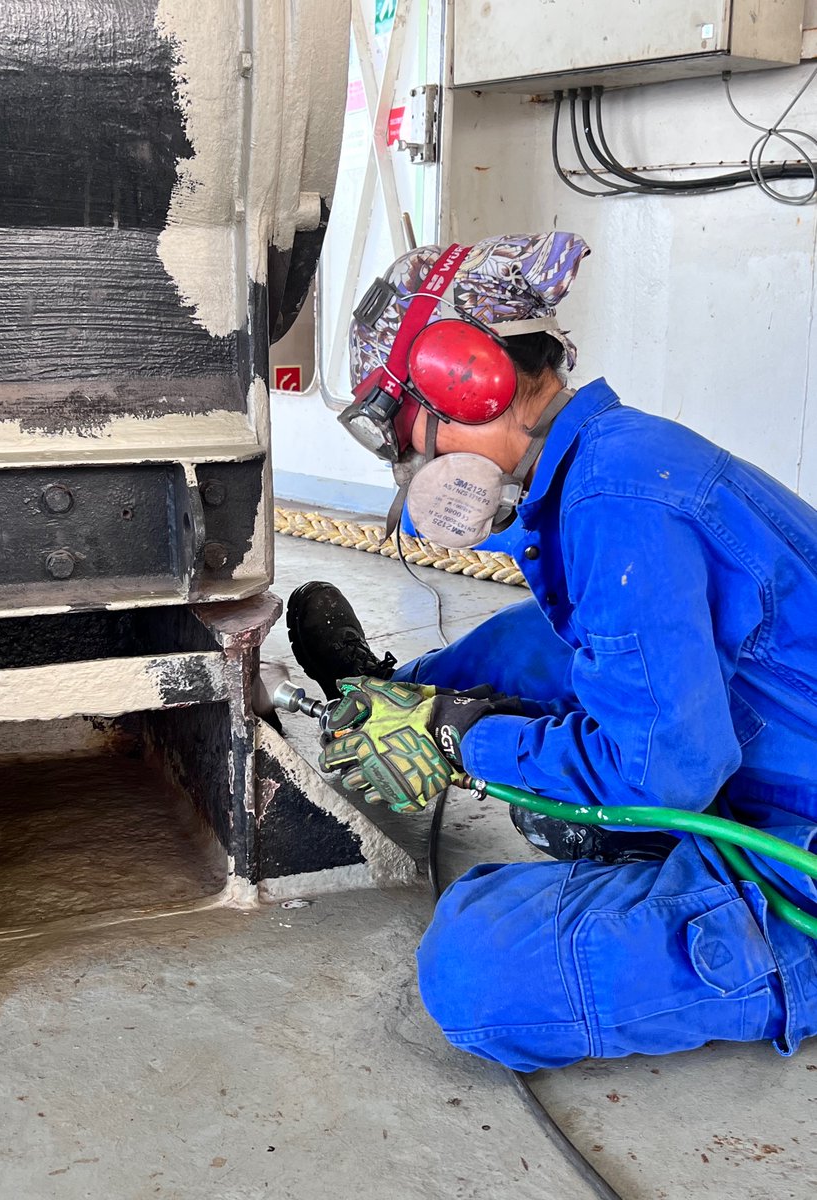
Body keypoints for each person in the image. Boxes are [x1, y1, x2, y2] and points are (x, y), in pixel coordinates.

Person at [286, 234, 817, 1072]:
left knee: (476, 972)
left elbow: (666, 772)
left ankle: (436, 725)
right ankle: (385, 696)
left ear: (463, 377)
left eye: (399, 425)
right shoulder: (605, 462)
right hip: (773, 740)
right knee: (531, 642)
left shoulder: (614, 496)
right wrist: (443, 712)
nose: (403, 458)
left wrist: (466, 738)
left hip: (800, 836)